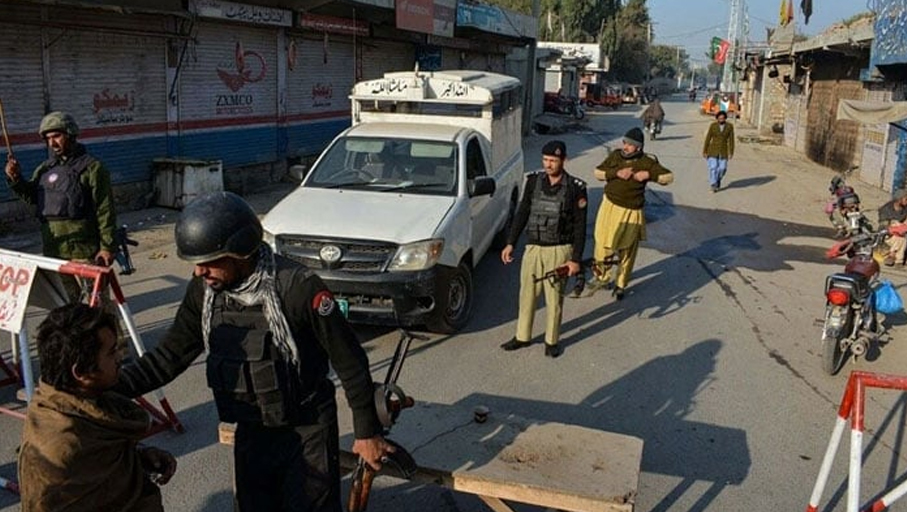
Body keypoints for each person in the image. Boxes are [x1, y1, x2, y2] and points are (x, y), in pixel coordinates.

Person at [113, 191, 392, 511]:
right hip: (252, 432)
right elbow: (167, 358)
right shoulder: (205, 293)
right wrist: (103, 389)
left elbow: (350, 361)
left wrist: (367, 432)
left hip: (307, 429)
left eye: (208, 262)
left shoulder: (298, 287)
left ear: (241, 250)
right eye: (195, 264)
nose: (199, 272)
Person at [18, 303, 176, 512]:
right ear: (81, 372)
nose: (119, 359)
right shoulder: (61, 449)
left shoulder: (83, 405)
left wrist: (138, 458)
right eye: (111, 353)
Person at [4, 111, 117, 302]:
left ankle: (108, 333)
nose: (52, 143)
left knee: (98, 305)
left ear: (71, 134)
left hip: (85, 251)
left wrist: (107, 247)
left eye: (57, 136)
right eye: (48, 138)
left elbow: (105, 209)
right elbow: (33, 197)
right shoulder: (45, 169)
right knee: (67, 303)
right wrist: (15, 178)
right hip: (54, 250)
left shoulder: (93, 168)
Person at [500, 140, 587, 358]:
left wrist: (575, 259)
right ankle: (522, 336)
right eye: (545, 160)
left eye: (553, 161)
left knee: (554, 298)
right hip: (533, 248)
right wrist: (511, 242)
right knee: (527, 294)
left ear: (563, 160)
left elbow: (580, 226)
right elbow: (522, 213)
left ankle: (552, 340)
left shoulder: (576, 188)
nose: (548, 165)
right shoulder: (533, 182)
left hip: (559, 250)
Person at [588, 128, 674, 300]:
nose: (625, 146)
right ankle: (602, 277)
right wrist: (615, 173)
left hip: (631, 211)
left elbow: (668, 177)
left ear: (639, 147)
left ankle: (621, 284)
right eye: (625, 142)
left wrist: (649, 175)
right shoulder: (615, 156)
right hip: (609, 207)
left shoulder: (646, 161)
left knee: (627, 250)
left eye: (630, 144)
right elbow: (597, 172)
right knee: (603, 244)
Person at [702, 110, 735, 192]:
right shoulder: (713, 126)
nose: (721, 120)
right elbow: (708, 138)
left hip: (723, 151)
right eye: (719, 118)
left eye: (723, 118)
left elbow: (731, 140)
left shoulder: (729, 126)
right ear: (717, 119)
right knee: (713, 167)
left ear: (725, 119)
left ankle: (718, 179)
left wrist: (731, 152)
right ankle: (713, 184)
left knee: (722, 168)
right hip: (713, 150)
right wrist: (704, 151)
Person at [878, 188, 907, 266]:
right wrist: (897, 228)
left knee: (901, 236)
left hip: (901, 234)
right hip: (888, 235)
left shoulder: (905, 208)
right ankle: (898, 260)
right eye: (905, 199)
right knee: (901, 236)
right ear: (899, 200)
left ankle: (892, 254)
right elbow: (884, 227)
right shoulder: (886, 209)